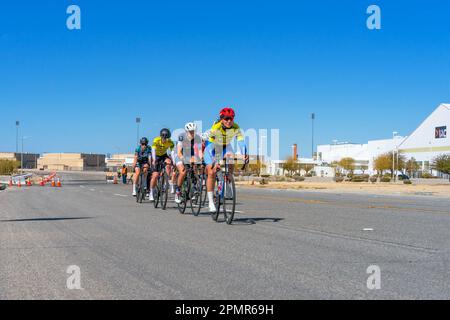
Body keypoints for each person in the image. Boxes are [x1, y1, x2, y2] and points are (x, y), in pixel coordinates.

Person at [204, 107, 249, 212]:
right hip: (212, 147)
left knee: (231, 158)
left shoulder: (236, 127)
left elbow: (241, 142)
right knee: (211, 172)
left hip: (225, 146)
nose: (229, 121)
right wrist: (215, 161)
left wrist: (244, 154)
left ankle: (228, 180)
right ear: (221, 119)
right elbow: (211, 147)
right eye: (226, 118)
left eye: (231, 118)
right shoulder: (216, 127)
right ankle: (210, 201)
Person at [174, 122, 203, 203]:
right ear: (187, 131)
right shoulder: (182, 137)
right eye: (190, 131)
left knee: (194, 168)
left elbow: (199, 151)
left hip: (191, 154)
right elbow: (179, 151)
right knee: (183, 172)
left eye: (193, 131)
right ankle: (178, 191)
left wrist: (201, 159)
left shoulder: (197, 138)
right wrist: (183, 159)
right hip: (180, 155)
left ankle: (193, 189)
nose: (192, 133)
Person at [150, 128, 175, 201]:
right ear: (161, 136)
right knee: (155, 175)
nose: (165, 140)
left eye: (166, 138)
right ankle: (151, 192)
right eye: (164, 138)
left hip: (164, 155)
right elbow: (153, 150)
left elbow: (172, 152)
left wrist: (173, 161)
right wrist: (154, 160)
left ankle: (166, 180)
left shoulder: (170, 142)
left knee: (169, 162)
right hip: (156, 156)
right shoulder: (156, 140)